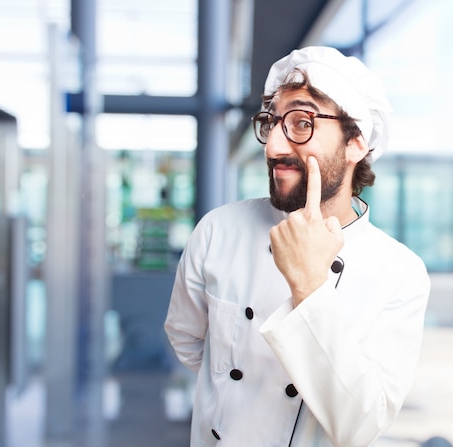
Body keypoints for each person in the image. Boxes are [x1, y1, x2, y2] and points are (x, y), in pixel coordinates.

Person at [164, 46, 430, 446]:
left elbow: (361, 425)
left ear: (356, 141)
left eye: (302, 123)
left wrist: (308, 285)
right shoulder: (218, 230)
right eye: (271, 123)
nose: (274, 147)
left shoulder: (399, 274)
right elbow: (188, 341)